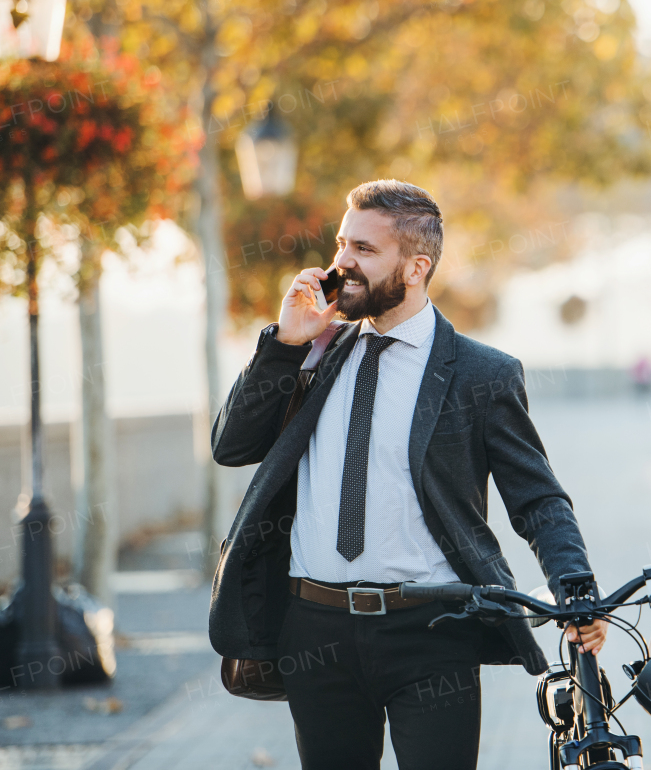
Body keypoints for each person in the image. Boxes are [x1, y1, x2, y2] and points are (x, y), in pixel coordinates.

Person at [208, 180, 607, 770]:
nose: (341, 263)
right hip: (314, 633)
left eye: (364, 251)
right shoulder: (313, 352)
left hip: (432, 633)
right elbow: (230, 445)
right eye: (343, 244)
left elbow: (538, 498)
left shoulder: (481, 374)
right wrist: (285, 343)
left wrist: (577, 590)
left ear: (416, 266)